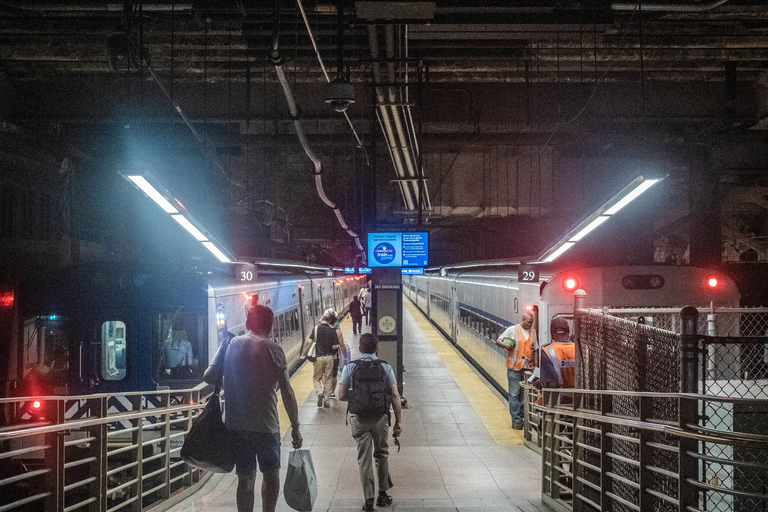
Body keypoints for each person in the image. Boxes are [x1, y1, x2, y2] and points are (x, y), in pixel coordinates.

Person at [203, 305, 302, 512]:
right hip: (267, 425)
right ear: (270, 326)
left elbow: (208, 376)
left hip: (237, 426)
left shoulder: (229, 344)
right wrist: (295, 426)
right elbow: (287, 392)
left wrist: (233, 375)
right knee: (271, 474)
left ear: (248, 324)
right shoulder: (274, 349)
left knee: (245, 478)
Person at [338, 333, 403, 512]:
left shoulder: (350, 367)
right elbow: (396, 396)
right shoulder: (385, 367)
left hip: (358, 419)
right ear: (377, 348)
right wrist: (398, 422)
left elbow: (341, 395)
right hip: (381, 418)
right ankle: (382, 495)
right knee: (381, 454)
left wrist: (358, 399)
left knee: (364, 459)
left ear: (360, 348)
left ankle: (368, 500)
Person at [493, 311, 538, 430]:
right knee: (514, 394)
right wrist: (506, 346)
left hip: (527, 368)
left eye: (532, 323)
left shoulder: (533, 333)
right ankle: (516, 420)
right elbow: (498, 341)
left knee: (524, 395)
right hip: (514, 368)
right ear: (523, 320)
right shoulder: (512, 330)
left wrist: (535, 365)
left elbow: (536, 349)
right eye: (528, 322)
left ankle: (522, 417)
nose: (530, 325)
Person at [309, 311, 338, 407]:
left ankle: (319, 393)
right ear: (329, 321)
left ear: (322, 320)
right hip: (329, 357)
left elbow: (310, 341)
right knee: (328, 379)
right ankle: (327, 401)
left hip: (318, 358)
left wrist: (314, 341)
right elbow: (336, 346)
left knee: (316, 378)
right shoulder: (332, 330)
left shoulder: (316, 329)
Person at [539, 317, 575, 390]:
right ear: (568, 332)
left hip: (558, 396)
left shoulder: (547, 350)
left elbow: (549, 381)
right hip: (580, 394)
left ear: (552, 334)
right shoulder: (578, 348)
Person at [330, 311, 347, 400]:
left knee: (326, 375)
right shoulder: (338, 332)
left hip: (323, 356)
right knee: (334, 375)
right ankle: (332, 392)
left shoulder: (321, 330)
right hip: (335, 356)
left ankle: (324, 392)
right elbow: (342, 345)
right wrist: (345, 356)